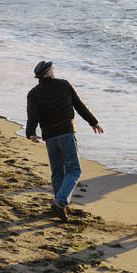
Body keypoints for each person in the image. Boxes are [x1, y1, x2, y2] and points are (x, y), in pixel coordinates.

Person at [26, 60, 103, 221]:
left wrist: (31, 133)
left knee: (57, 171)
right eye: (52, 68)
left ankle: (60, 206)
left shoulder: (33, 93)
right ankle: (60, 202)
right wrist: (93, 122)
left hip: (49, 136)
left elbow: (32, 116)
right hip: (66, 132)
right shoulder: (64, 85)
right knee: (74, 170)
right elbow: (79, 105)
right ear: (47, 72)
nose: (54, 70)